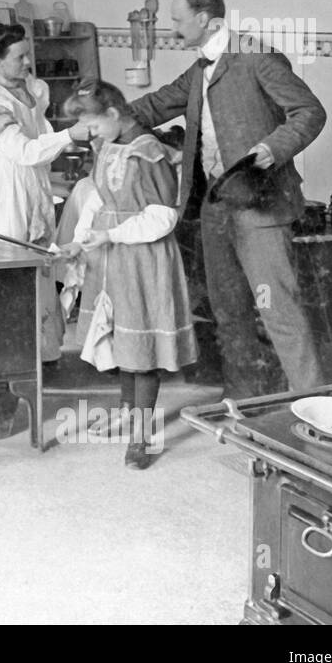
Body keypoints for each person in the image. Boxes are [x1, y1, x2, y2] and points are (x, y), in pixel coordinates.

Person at [128, 0, 326, 398]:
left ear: (204, 19)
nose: (172, 27)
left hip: (261, 208)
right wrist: (103, 115)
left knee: (279, 310)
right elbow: (153, 105)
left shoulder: (257, 58)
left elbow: (310, 112)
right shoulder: (200, 70)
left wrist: (272, 149)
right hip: (217, 208)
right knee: (228, 309)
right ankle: (244, 397)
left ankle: (312, 406)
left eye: (178, 19)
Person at [61, 82, 198, 468]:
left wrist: (113, 234)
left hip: (143, 254)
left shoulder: (149, 152)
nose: (89, 134)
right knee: (121, 337)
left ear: (113, 114)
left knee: (142, 350)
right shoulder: (108, 146)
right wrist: (79, 238)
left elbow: (164, 216)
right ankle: (126, 411)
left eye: (92, 125)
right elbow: (97, 197)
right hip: (111, 255)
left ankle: (141, 438)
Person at [0, 22, 91, 361]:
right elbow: (22, 151)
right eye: (19, 57)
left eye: (28, 55)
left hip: (32, 179)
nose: (27, 63)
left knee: (38, 257)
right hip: (4, 184)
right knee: (11, 261)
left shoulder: (31, 87)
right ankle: (6, 355)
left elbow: (38, 135)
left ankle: (39, 355)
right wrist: (70, 136)